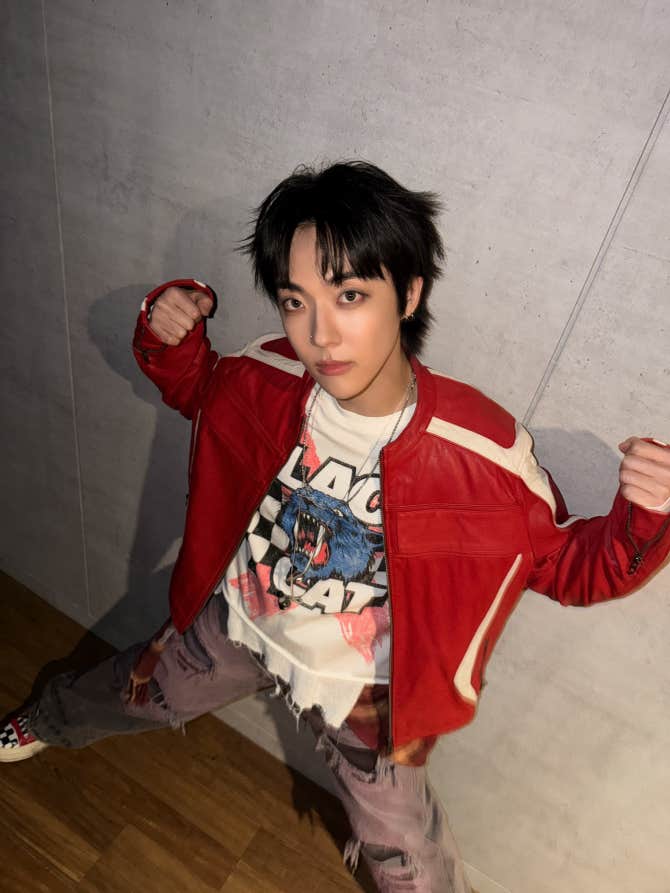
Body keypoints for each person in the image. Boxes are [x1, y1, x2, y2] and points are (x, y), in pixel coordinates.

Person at [2, 161, 670, 892]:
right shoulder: (267, 377)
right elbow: (198, 386)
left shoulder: (481, 454)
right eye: (296, 301)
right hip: (238, 621)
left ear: (408, 293)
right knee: (139, 692)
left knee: (406, 854)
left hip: (370, 690)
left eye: (349, 295)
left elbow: (573, 568)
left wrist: (648, 513)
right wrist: (172, 332)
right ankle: (45, 719)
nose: (320, 334)